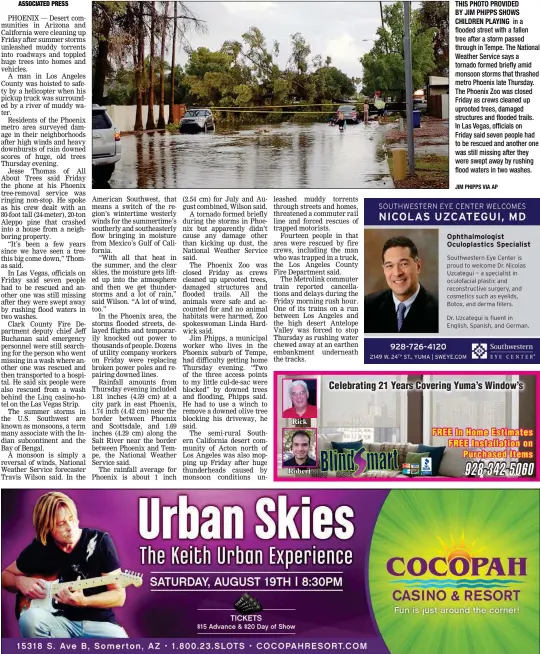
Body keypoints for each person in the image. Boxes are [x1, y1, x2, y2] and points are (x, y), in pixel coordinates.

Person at [1, 492, 129, 638]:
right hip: (58, 622)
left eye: (71, 519)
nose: (70, 527)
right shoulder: (40, 548)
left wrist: (85, 601)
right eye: (61, 524)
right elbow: (5, 576)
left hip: (99, 623)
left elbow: (119, 596)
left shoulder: (100, 542)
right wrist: (19, 581)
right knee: (29, 619)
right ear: (47, 527)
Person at [364, 236, 438, 333]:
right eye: (389, 266)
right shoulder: (367, 306)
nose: (397, 273)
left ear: (418, 266)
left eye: (403, 264)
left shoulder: (441, 310)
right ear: (384, 270)